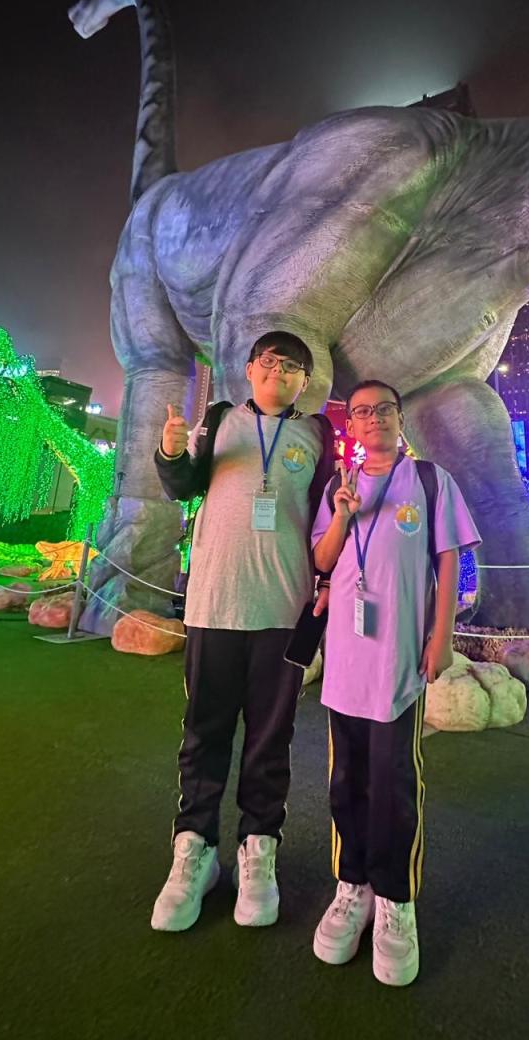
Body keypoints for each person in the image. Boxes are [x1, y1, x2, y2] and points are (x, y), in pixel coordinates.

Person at [150, 332, 335, 934]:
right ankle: (196, 849)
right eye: (270, 362)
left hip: (283, 609)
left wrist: (329, 583)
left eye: (292, 367)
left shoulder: (318, 435)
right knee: (204, 731)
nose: (279, 372)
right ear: (251, 368)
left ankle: (259, 847)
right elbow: (181, 486)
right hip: (214, 604)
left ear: (304, 382)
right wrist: (171, 449)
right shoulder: (220, 418)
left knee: (270, 737)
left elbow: (327, 519)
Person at [310, 380, 481, 986]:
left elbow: (449, 558)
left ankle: (395, 899)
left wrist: (441, 636)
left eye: (384, 408)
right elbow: (323, 560)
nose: (374, 418)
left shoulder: (430, 481)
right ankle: (351, 886)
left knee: (394, 781)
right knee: (346, 779)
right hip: (346, 661)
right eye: (362, 411)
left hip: (399, 662)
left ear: (398, 417)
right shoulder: (339, 485)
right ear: (352, 426)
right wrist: (342, 514)